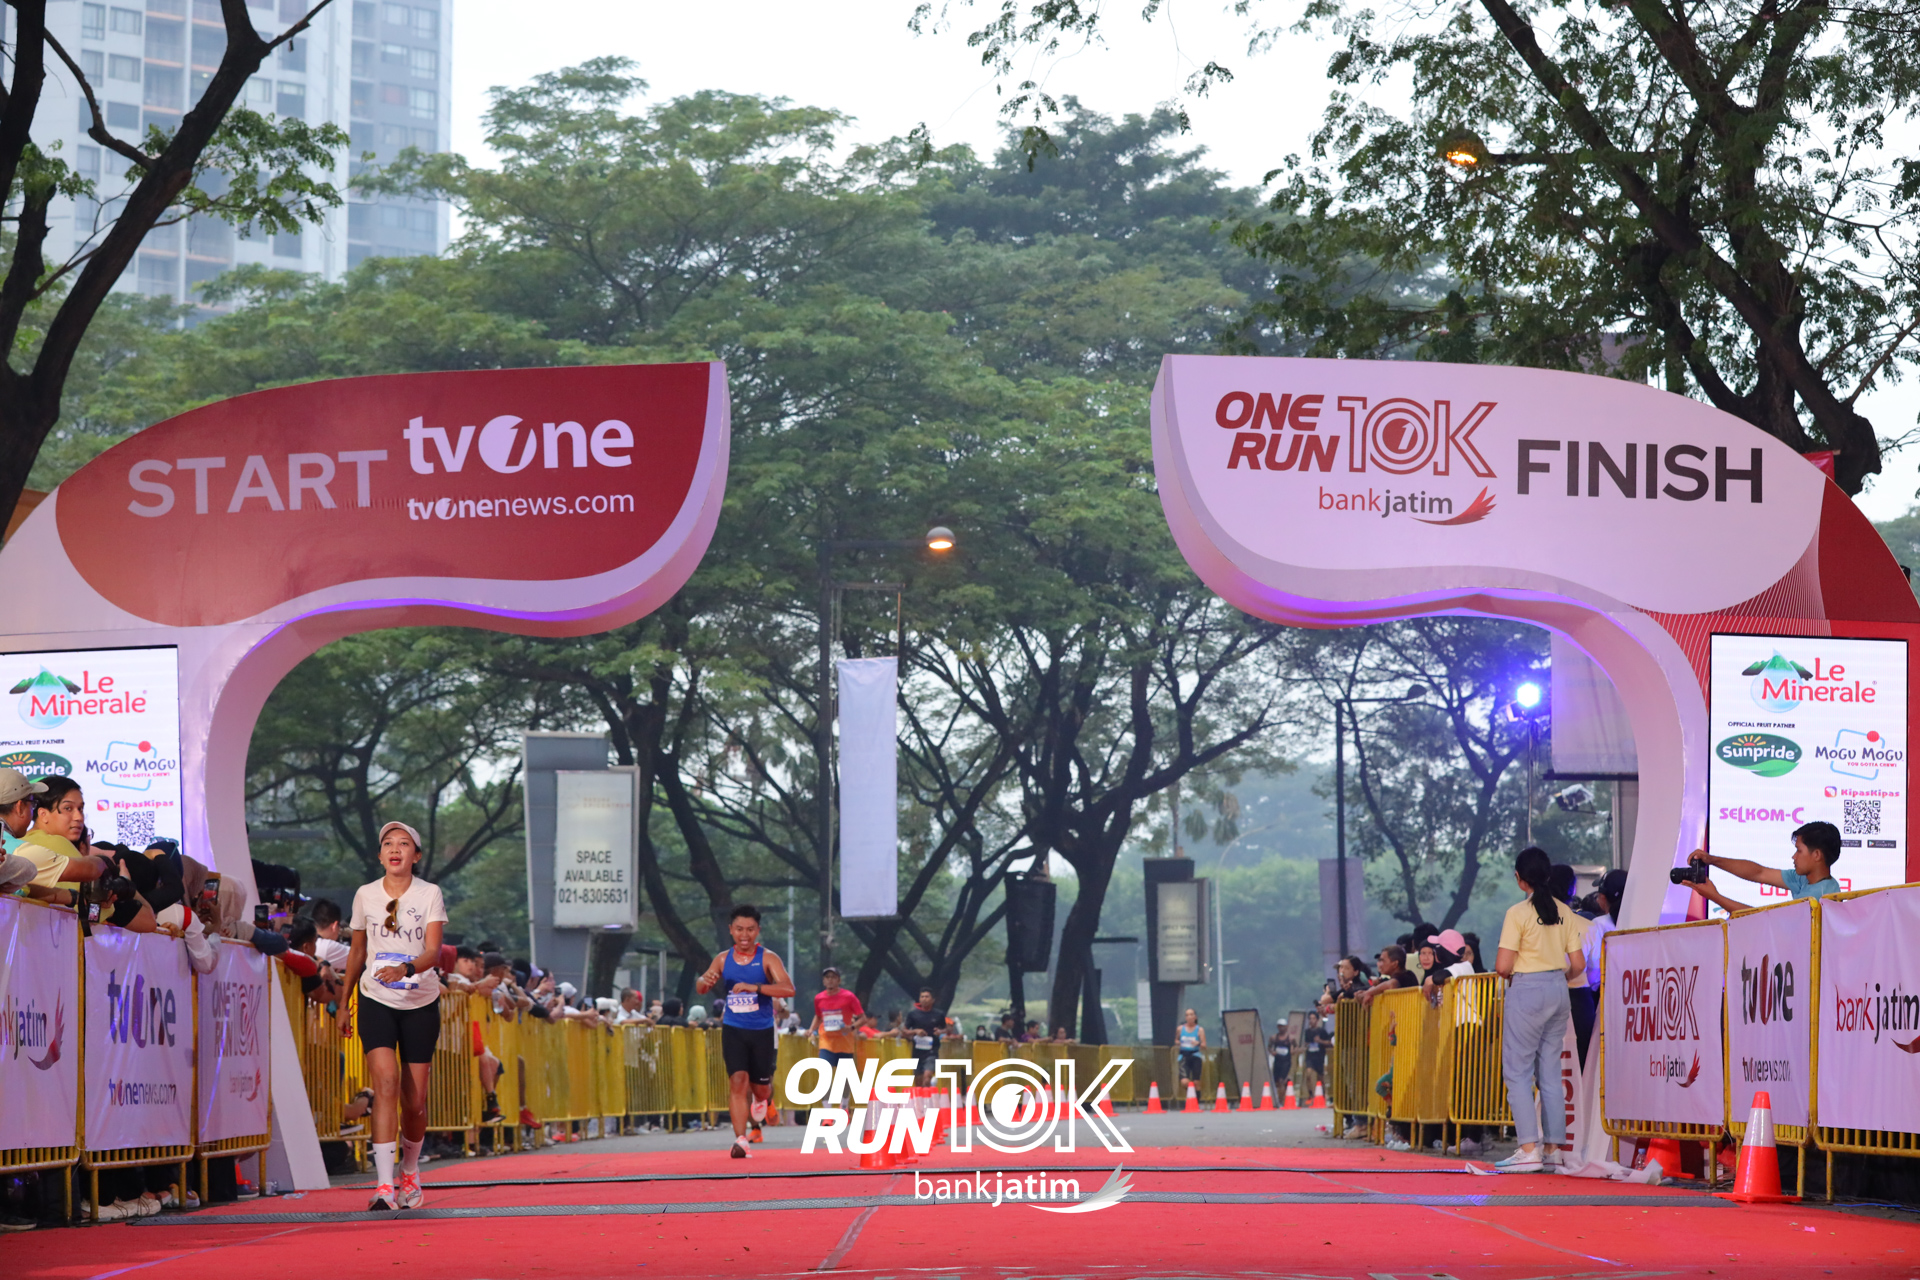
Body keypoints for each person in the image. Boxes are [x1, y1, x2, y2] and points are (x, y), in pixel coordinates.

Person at [336, 821, 448, 1211]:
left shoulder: (430, 893)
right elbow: (356, 952)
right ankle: (384, 1186)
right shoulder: (365, 894)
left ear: (416, 855)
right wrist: (344, 1002)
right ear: (380, 854)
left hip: (420, 1001)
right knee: (385, 1082)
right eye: (388, 843)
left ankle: (410, 1172)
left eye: (403, 844)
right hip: (375, 999)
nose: (395, 849)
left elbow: (434, 951)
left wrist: (407, 969)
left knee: (414, 1102)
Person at [1494, 846, 1586, 1173]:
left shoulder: (1517, 913)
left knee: (1518, 1072)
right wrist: (1559, 979)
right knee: (1549, 1071)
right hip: (1559, 989)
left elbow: (1502, 966)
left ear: (1520, 879)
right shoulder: (1565, 911)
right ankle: (1553, 1149)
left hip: (1527, 990)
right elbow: (1578, 964)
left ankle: (1528, 1149)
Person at [694, 904, 795, 1158]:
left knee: (760, 1088)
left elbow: (788, 989)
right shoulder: (722, 959)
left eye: (750, 929)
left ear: (757, 930)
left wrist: (755, 987)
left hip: (761, 1030)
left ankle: (763, 1100)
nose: (744, 935)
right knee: (737, 1081)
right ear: (731, 930)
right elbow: (702, 986)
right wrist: (704, 982)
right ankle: (740, 1140)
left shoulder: (768, 958)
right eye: (739, 929)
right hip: (734, 1028)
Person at [1687, 821, 1842, 912]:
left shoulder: (1819, 898)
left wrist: (1714, 896)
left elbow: (1763, 920)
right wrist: (1712, 860)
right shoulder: (1805, 879)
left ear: (1816, 855)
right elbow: (1759, 873)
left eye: (1799, 851)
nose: (1794, 857)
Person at [808, 965, 864, 1085]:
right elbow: (818, 1016)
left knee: (844, 1080)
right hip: (826, 1042)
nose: (830, 980)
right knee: (824, 1075)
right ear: (823, 981)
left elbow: (863, 1018)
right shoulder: (819, 998)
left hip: (845, 1043)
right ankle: (826, 1098)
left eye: (833, 977)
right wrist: (811, 1029)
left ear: (839, 980)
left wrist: (851, 1028)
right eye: (827, 977)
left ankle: (843, 1098)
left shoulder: (849, 997)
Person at [903, 989, 953, 1086]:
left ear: (933, 1000)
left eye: (927, 997)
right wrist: (915, 1031)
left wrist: (940, 1032)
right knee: (918, 1081)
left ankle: (927, 1094)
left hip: (932, 1051)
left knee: (927, 1077)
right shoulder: (913, 1014)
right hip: (917, 1052)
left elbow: (947, 1029)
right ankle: (923, 1095)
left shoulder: (939, 1014)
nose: (924, 999)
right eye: (922, 997)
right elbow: (904, 1031)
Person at [1176, 1008, 1206, 1084]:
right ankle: (1191, 1088)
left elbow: (1204, 1045)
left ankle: (1195, 1090)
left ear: (1195, 1017)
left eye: (1191, 1015)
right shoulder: (1180, 1029)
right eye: (1187, 1015)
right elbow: (1176, 1040)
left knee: (1196, 1082)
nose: (1189, 1017)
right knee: (1184, 1082)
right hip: (1184, 1056)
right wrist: (1178, 1043)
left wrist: (1198, 1043)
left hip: (1195, 1056)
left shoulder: (1199, 1029)